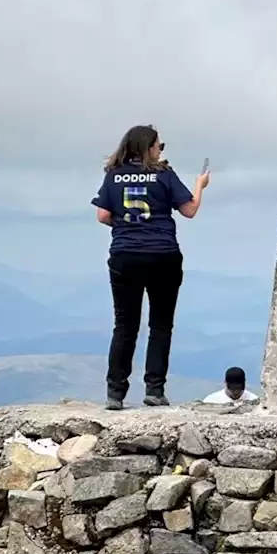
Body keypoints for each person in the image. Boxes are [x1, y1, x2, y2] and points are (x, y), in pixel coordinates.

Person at [91, 125, 209, 410]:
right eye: (159, 145)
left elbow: (103, 215)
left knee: (125, 325)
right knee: (160, 325)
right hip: (162, 255)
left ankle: (115, 394)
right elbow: (189, 210)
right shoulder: (164, 174)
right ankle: (154, 390)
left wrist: (125, 223)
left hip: (125, 256)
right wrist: (199, 185)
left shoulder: (114, 175)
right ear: (148, 147)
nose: (160, 150)